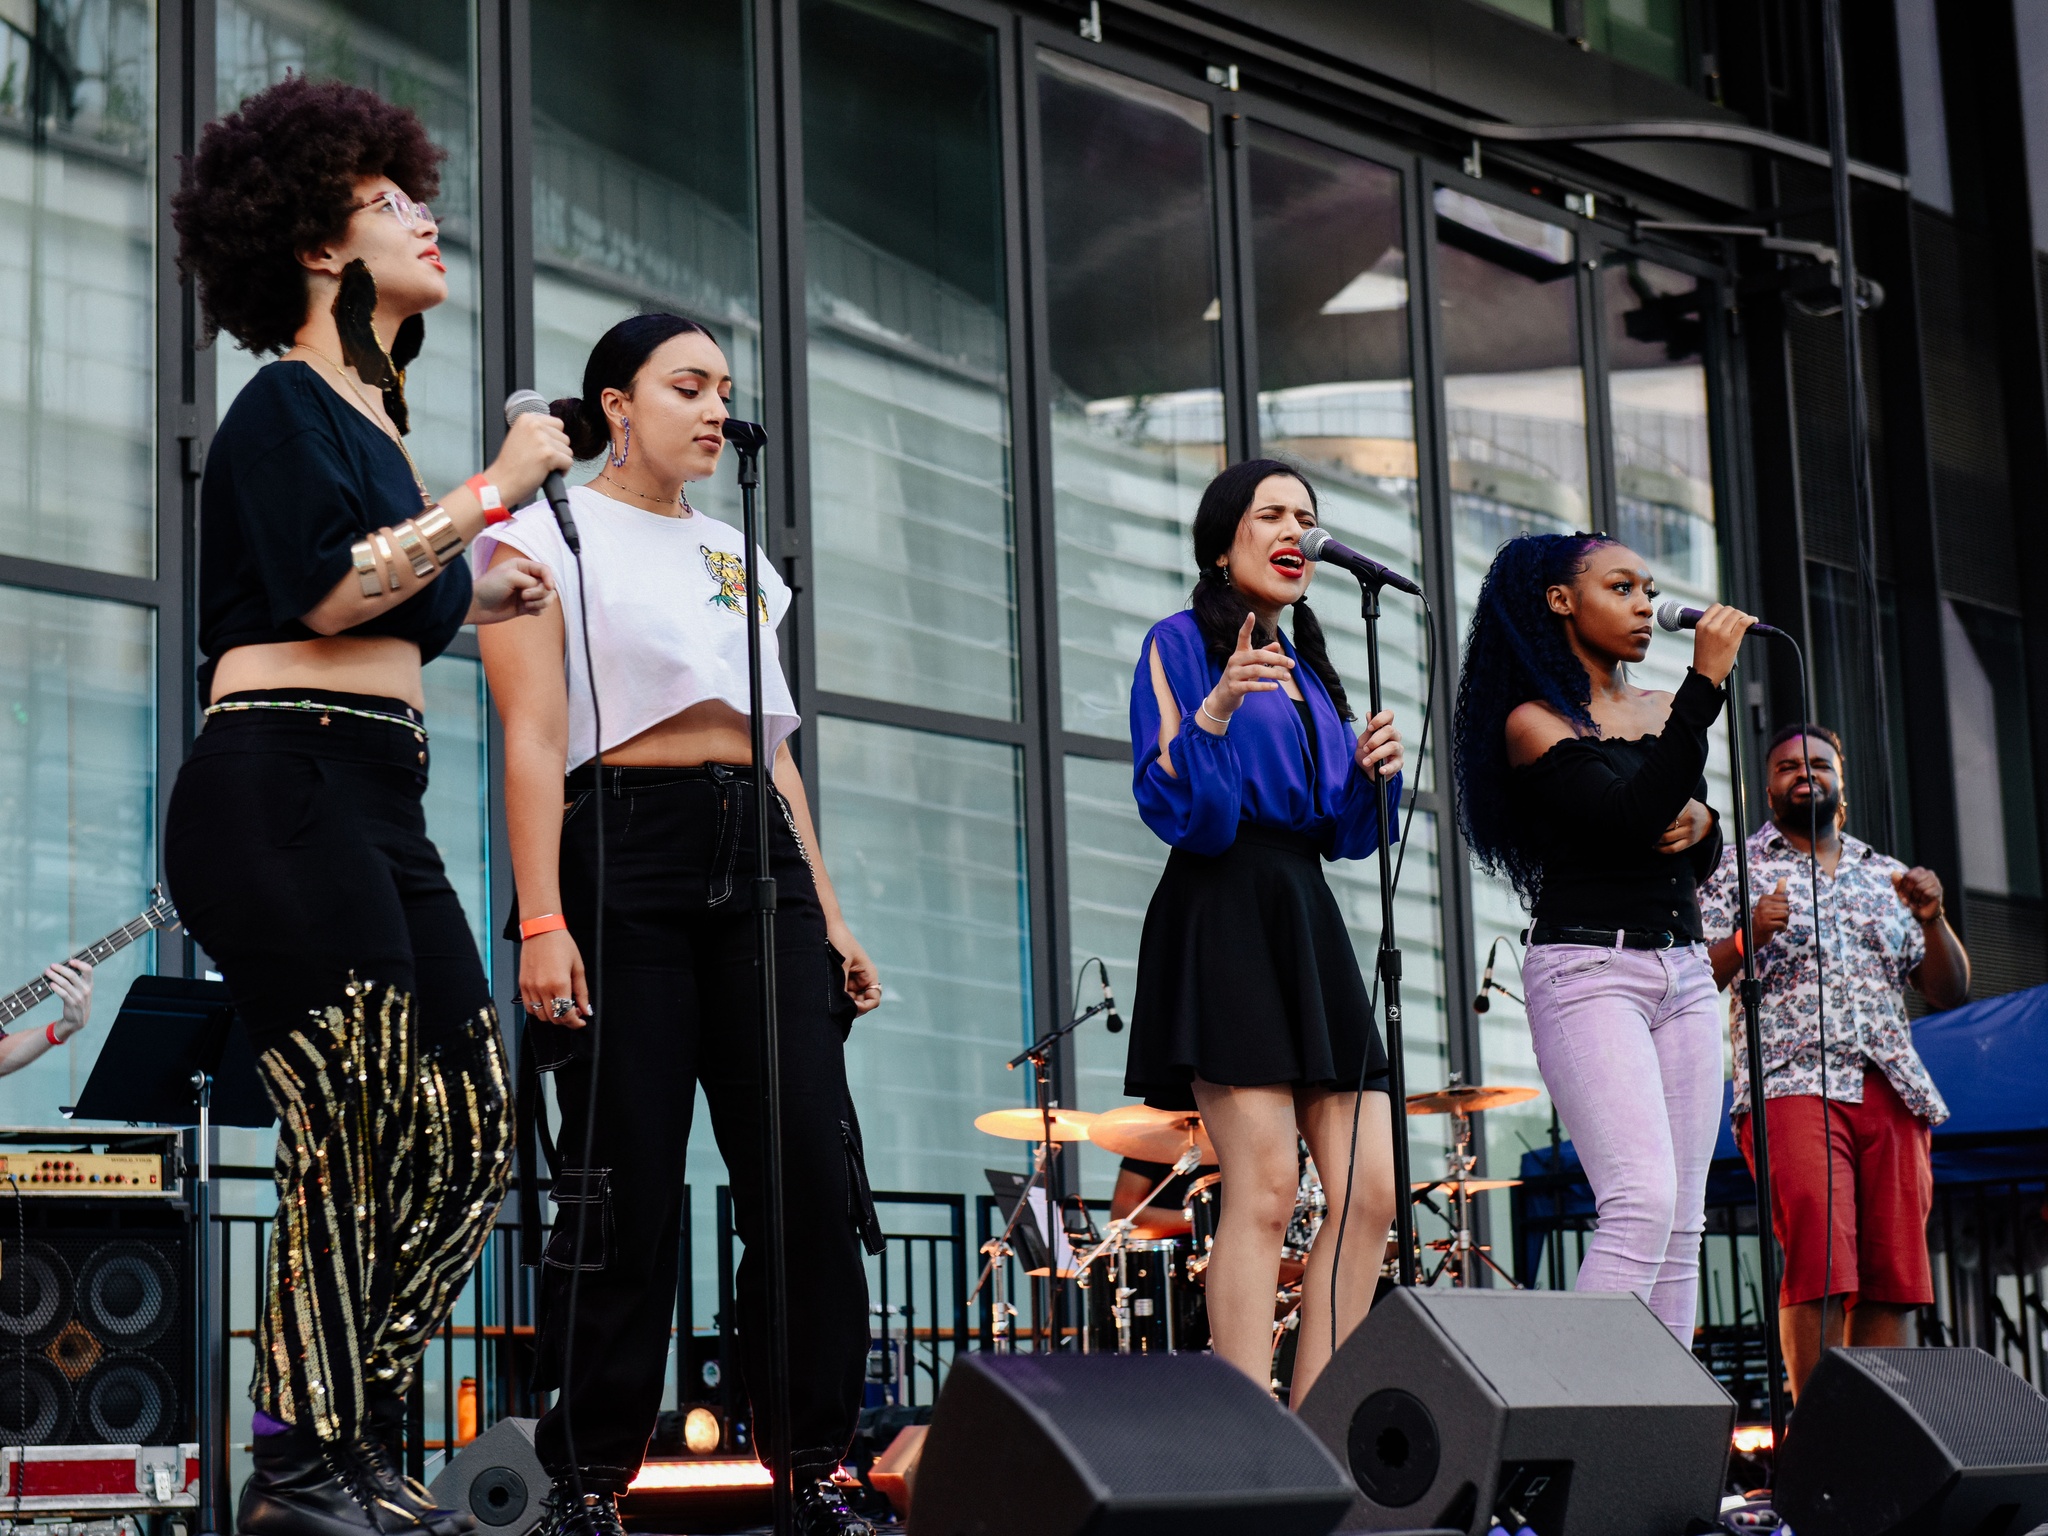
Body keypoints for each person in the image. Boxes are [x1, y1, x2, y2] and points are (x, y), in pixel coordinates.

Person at [165, 74, 572, 1536]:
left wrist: (467, 593)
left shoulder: (368, 425)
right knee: (353, 1113)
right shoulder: (281, 399)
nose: (431, 220)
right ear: (320, 249)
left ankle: (340, 1423)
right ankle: (299, 1456)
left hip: (373, 798)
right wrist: (491, 499)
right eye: (395, 204)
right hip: (276, 785)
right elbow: (333, 586)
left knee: (466, 1132)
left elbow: (373, 594)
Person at [475, 314, 883, 1536]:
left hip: (755, 851)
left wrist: (830, 910)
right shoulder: (543, 528)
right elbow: (534, 738)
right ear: (614, 403)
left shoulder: (737, 553)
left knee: (803, 1172)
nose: (715, 410)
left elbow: (776, 751)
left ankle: (811, 1470)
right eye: (686, 386)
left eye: (723, 390)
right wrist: (542, 917)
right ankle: (591, 1482)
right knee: (624, 1184)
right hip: (619, 850)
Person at [1125, 459, 1404, 1403]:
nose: (1296, 530)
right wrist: (1214, 711)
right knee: (1269, 1187)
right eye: (1272, 513)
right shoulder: (1178, 643)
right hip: (1221, 905)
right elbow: (1185, 814)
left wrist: (1374, 773)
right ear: (1221, 542)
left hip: (1304, 913)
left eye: (1308, 518)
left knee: (1371, 1191)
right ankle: (1248, 1425)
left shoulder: (1313, 667)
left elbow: (1347, 836)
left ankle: (1317, 1418)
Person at [1451, 532, 1755, 1343]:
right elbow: (1629, 817)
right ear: (1561, 601)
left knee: (1685, 1220)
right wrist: (1706, 687)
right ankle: (1583, 1421)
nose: (1646, 607)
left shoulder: (1661, 710)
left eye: (1648, 589)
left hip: (1685, 972)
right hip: (1590, 970)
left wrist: (1708, 821)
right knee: (1640, 1202)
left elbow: (1687, 839)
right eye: (1621, 587)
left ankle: (1663, 1451)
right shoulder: (1534, 723)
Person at [1699, 723, 1967, 1396]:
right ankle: (1820, 1449)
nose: (1804, 773)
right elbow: (1691, 976)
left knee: (1892, 1279)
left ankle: (1884, 1449)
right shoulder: (1735, 868)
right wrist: (1748, 934)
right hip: (1791, 1084)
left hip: (1892, 1088)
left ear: (1839, 781)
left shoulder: (1888, 874)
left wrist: (1934, 919)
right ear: (1769, 788)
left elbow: (1948, 990)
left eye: (1817, 763)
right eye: (1788, 766)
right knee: (1818, 1263)